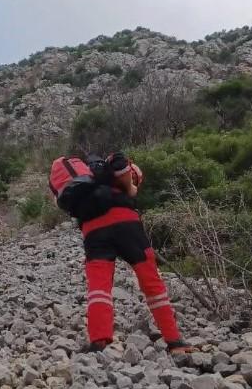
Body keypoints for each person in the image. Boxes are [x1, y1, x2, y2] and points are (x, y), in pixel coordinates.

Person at [73, 152, 195, 355]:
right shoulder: (123, 172)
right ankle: (174, 341)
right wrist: (130, 188)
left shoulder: (88, 183)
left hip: (92, 230)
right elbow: (119, 160)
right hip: (125, 224)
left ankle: (98, 340)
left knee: (98, 287)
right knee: (152, 282)